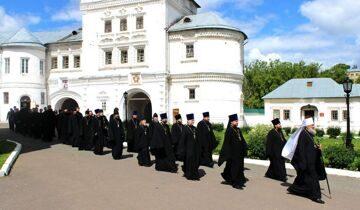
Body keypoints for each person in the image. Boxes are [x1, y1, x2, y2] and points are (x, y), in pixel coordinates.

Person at [285, 118, 325, 204]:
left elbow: (310, 148)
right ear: (307, 126)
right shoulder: (303, 135)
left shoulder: (309, 134)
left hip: (311, 161)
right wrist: (303, 163)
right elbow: (301, 150)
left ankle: (294, 189)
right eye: (312, 125)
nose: (314, 126)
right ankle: (316, 196)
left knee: (302, 179)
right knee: (314, 179)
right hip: (307, 162)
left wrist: (317, 148)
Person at [218, 114, 248, 190]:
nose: (237, 122)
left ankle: (237, 180)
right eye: (235, 121)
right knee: (235, 168)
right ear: (231, 122)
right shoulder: (229, 131)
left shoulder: (238, 130)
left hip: (239, 153)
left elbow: (242, 139)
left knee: (239, 167)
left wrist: (245, 146)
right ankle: (235, 183)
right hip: (233, 154)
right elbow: (226, 143)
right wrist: (227, 154)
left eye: (237, 121)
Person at [178, 114, 201, 180]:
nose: (192, 121)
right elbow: (182, 140)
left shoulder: (194, 128)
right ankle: (189, 175)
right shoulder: (185, 129)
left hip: (194, 149)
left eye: (193, 120)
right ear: (188, 121)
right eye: (191, 120)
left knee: (195, 162)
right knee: (189, 162)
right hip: (188, 149)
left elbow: (198, 139)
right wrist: (181, 150)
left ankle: (195, 175)